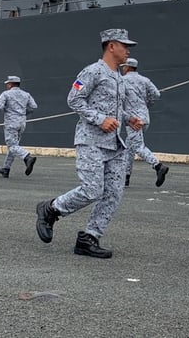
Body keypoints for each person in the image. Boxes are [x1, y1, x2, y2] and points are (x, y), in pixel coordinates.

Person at [36, 29, 143, 259]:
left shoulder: (119, 78)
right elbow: (73, 99)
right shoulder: (92, 71)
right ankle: (51, 209)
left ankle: (89, 237)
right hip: (91, 141)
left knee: (114, 194)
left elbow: (114, 108)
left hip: (114, 144)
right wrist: (99, 119)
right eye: (124, 45)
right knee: (92, 190)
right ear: (111, 46)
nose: (128, 50)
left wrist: (128, 118)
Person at [121, 58, 168, 187]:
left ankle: (158, 166)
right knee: (129, 148)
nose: (122, 68)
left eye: (123, 66)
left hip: (133, 120)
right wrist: (147, 104)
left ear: (128, 67)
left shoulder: (122, 80)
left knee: (137, 147)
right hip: (145, 118)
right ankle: (125, 177)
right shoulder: (145, 80)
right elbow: (156, 94)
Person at [0, 75, 37, 178]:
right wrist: (23, 113)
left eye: (7, 84)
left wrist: (7, 110)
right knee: (14, 146)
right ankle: (6, 168)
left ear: (10, 84)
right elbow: (33, 106)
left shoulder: (6, 94)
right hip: (22, 122)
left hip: (11, 122)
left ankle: (27, 157)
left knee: (12, 145)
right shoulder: (26, 94)